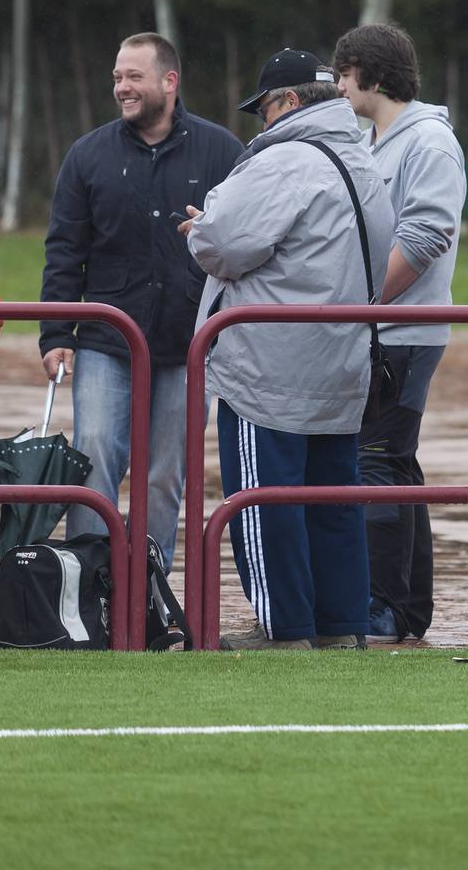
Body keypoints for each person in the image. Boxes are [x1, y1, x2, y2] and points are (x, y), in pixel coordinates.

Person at [182, 49, 391, 651]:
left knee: (263, 502)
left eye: (265, 108)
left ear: (291, 102)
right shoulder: (361, 158)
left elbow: (223, 242)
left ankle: (284, 630)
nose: (260, 122)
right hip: (341, 360)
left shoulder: (285, 159)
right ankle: (342, 626)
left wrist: (201, 227)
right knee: (332, 501)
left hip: (270, 365)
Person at [39, 32, 242, 567]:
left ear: (169, 82)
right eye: (116, 77)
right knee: (96, 460)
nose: (121, 88)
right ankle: (88, 591)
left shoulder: (222, 150)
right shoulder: (88, 155)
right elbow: (64, 250)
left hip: (188, 344)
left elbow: (246, 245)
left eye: (133, 77)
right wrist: (56, 334)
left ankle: (147, 594)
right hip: (107, 342)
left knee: (163, 475)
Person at [333, 22, 466, 644]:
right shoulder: (374, 140)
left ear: (372, 76)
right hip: (384, 328)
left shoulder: (429, 143)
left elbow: (424, 235)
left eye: (344, 73)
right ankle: (407, 609)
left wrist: (362, 303)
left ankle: (383, 608)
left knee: (376, 465)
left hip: (403, 333)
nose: (338, 86)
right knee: (395, 465)